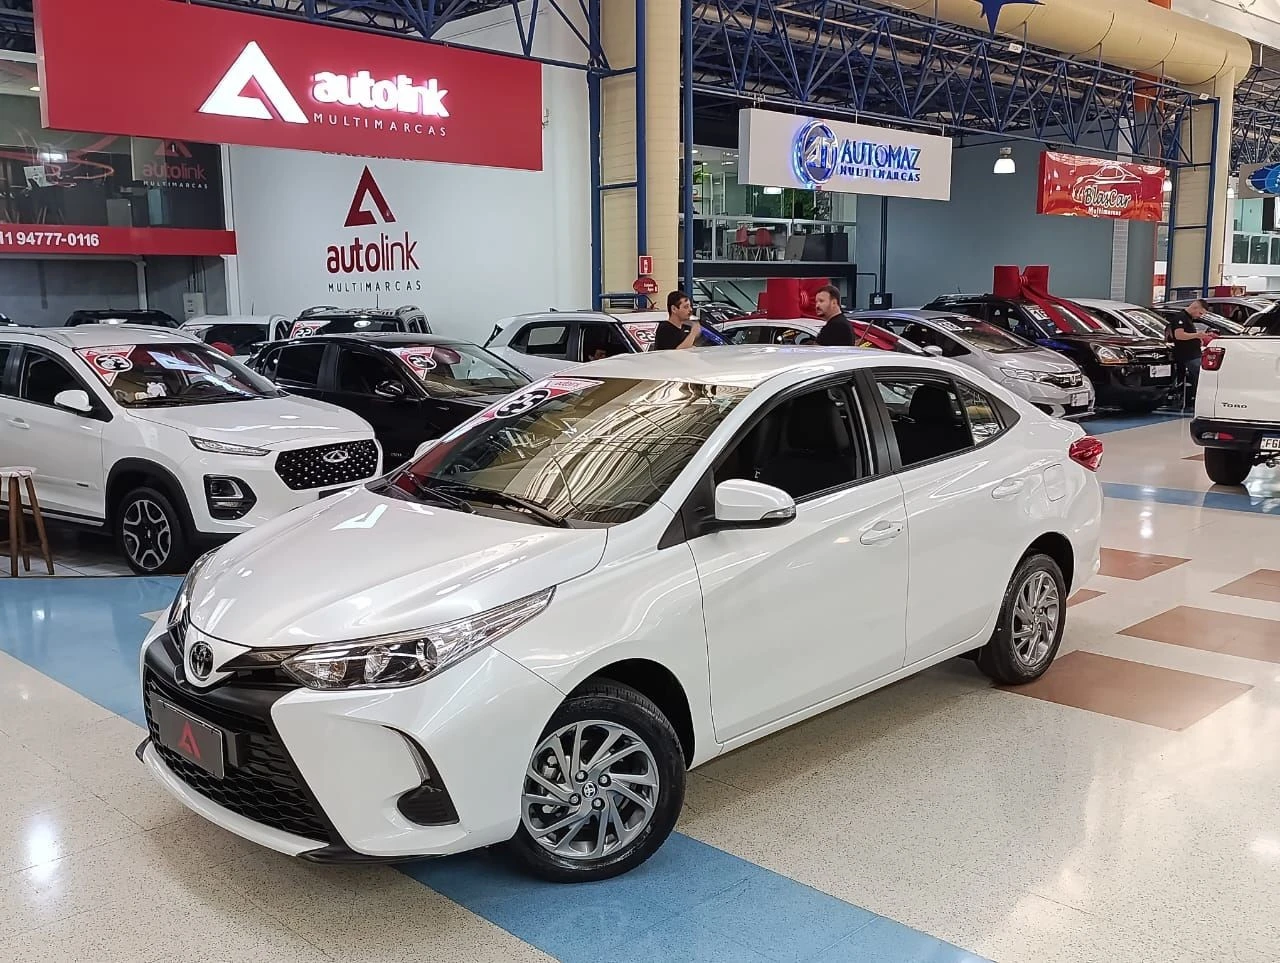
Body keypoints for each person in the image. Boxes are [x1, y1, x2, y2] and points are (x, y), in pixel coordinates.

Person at [1168, 299, 1212, 398]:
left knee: (1198, 376)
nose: (1200, 316)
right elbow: (1179, 335)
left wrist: (1198, 338)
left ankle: (1196, 396)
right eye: (1200, 313)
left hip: (1194, 354)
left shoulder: (1188, 319)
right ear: (1195, 307)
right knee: (1199, 376)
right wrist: (1197, 335)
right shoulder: (1181, 318)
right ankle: (1198, 397)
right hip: (1188, 356)